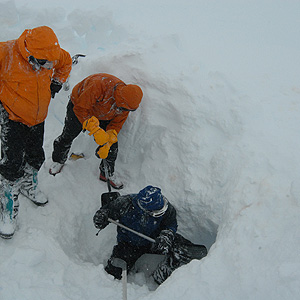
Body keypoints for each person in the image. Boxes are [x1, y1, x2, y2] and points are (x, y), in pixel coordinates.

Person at [0, 26, 72, 239]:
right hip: (12, 117)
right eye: (42, 63)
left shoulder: (52, 53)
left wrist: (56, 83)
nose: (46, 67)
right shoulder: (7, 52)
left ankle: (26, 184)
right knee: (11, 163)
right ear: (29, 52)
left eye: (49, 63)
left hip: (37, 118)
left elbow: (65, 62)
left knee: (35, 155)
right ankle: (7, 206)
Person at [93, 185, 207, 284]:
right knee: (115, 271)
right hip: (129, 244)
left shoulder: (166, 207)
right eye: (157, 213)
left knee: (182, 247)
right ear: (144, 210)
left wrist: (166, 235)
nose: (161, 212)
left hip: (155, 239)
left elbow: (171, 224)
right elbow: (106, 211)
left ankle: (182, 268)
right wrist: (101, 217)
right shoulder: (125, 204)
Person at [49, 73, 143, 189]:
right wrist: (95, 130)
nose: (124, 111)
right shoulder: (98, 85)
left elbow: (116, 124)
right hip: (80, 108)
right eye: (123, 108)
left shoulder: (126, 104)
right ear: (119, 100)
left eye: (127, 110)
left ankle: (107, 173)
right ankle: (59, 160)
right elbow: (80, 109)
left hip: (104, 114)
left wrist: (108, 141)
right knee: (68, 135)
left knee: (112, 146)